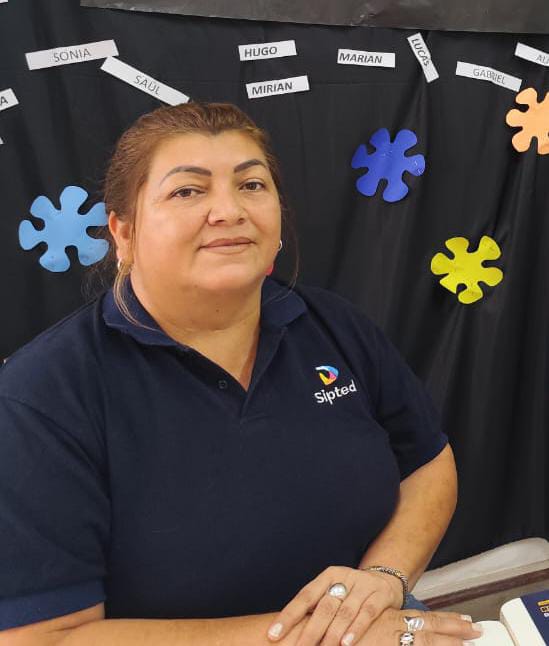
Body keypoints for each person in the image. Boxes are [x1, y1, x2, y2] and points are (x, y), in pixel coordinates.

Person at [0, 102, 483, 646]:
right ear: (123, 232)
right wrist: (316, 639)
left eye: (251, 185)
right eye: (188, 191)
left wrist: (383, 579)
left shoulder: (333, 325)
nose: (228, 211)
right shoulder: (40, 399)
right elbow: (44, 639)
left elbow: (427, 463)